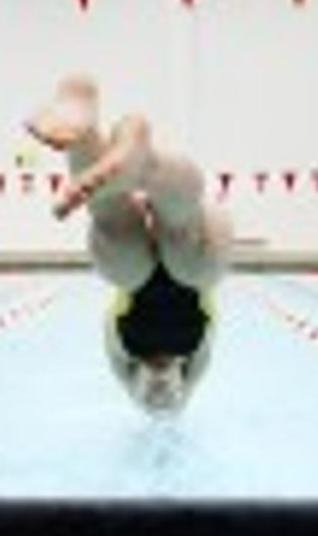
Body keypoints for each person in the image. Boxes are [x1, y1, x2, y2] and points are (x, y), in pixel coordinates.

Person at [25, 75, 231, 415]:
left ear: (134, 385)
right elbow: (187, 386)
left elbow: (122, 356)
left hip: (136, 278)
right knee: (188, 236)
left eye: (150, 398)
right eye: (168, 397)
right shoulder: (196, 356)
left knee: (110, 218)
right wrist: (179, 403)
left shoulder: (123, 351)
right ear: (183, 384)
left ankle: (83, 131)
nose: (159, 393)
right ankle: (146, 166)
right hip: (192, 272)